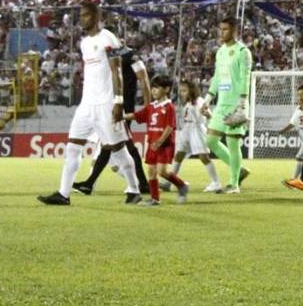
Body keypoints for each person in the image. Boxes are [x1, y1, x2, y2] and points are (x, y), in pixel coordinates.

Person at [38, 2, 143, 206]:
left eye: (86, 15)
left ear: (96, 16)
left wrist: (118, 101)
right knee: (73, 147)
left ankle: (134, 189)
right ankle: (63, 194)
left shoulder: (108, 38)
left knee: (119, 149)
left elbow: (117, 71)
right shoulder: (84, 42)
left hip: (105, 104)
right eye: (81, 15)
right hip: (86, 105)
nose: (82, 19)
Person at [71, 39, 151, 197]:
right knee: (109, 144)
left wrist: (148, 106)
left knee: (121, 144)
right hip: (108, 106)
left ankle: (142, 184)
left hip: (121, 107)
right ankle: (90, 184)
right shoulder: (107, 56)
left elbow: (143, 78)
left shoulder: (130, 55)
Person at [202, 16, 253, 194]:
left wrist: (242, 102)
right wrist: (208, 98)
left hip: (236, 102)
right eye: (220, 29)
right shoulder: (221, 51)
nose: (221, 32)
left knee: (233, 144)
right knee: (211, 140)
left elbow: (246, 77)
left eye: (225, 29)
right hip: (222, 103)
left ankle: (234, 184)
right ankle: (240, 170)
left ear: (234, 31)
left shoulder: (243, 52)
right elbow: (217, 77)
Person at [127, 77, 187, 205]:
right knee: (151, 172)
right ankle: (155, 199)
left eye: (157, 87)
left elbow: (170, 127)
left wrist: (160, 141)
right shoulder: (151, 106)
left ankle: (181, 186)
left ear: (166, 89)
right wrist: (121, 117)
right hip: (152, 143)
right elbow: (138, 116)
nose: (153, 90)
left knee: (162, 171)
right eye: (152, 87)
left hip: (164, 145)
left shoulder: (169, 106)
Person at [171, 80, 222, 192]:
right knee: (179, 155)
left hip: (196, 129)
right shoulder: (189, 102)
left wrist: (207, 114)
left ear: (191, 91)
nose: (181, 93)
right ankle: (170, 181)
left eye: (184, 90)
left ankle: (216, 182)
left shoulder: (199, 101)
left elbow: (209, 115)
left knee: (203, 157)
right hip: (187, 130)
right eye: (180, 90)